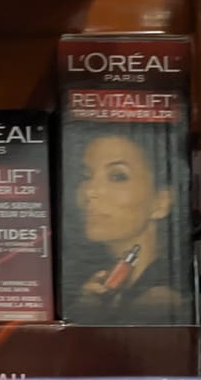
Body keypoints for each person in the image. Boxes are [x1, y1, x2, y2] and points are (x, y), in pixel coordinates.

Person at [69, 130, 183, 319]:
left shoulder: (158, 300)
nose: (89, 191)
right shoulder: (104, 287)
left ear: (161, 202)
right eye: (86, 176)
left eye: (117, 176)